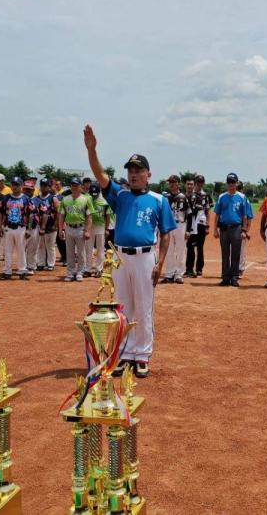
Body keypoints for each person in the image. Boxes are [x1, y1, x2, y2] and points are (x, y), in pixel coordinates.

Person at [85, 125, 176, 378]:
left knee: (144, 307)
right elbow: (100, 174)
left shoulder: (159, 200)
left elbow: (166, 234)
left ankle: (142, 355)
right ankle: (124, 354)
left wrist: (161, 263)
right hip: (121, 258)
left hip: (146, 257)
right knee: (122, 307)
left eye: (138, 170)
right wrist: (92, 150)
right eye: (130, 170)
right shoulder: (120, 195)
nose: (133, 174)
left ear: (148, 174)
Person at [214, 173, 253, 287]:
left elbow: (245, 216)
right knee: (225, 253)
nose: (231, 184)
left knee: (236, 253)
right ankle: (225, 277)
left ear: (237, 183)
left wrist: (244, 230)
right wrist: (215, 229)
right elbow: (217, 214)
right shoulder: (222, 197)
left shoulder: (241, 197)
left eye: (233, 182)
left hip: (236, 228)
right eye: (229, 182)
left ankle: (234, 277)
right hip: (224, 228)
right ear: (227, 184)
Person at [59, 176, 93, 282]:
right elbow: (61, 215)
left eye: (76, 185)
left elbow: (89, 216)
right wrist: (60, 229)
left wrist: (87, 231)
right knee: (69, 252)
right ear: (70, 186)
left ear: (80, 186)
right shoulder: (65, 199)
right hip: (69, 227)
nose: (74, 187)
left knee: (81, 252)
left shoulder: (86, 199)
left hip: (80, 228)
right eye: (73, 185)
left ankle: (80, 272)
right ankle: (70, 272)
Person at [0, 177, 31, 280]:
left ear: (21, 186)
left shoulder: (26, 198)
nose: (14, 187)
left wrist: (28, 228)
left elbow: (30, 214)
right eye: (13, 184)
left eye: (17, 184)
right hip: (8, 227)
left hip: (21, 228)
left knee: (21, 250)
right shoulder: (5, 198)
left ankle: (22, 271)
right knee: (7, 250)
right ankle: (7, 271)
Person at [161, 175, 191, 284]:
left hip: (181, 225)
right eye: (170, 183)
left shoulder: (184, 197)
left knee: (181, 250)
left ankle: (179, 274)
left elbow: (189, 214)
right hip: (169, 226)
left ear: (178, 183)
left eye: (173, 182)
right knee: (168, 250)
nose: (171, 184)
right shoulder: (165, 198)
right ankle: (169, 274)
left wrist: (188, 230)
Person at [185, 174, 212, 278]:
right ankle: (189, 268)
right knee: (190, 247)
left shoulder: (206, 195)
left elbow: (208, 212)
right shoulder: (190, 195)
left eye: (202, 182)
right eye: (198, 182)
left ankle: (199, 269)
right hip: (191, 224)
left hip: (201, 224)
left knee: (200, 247)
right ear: (195, 183)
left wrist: (207, 226)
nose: (200, 184)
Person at [87, 183, 111, 276]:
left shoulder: (104, 202)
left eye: (96, 193)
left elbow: (108, 216)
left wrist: (107, 229)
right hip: (90, 227)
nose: (94, 195)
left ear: (99, 192)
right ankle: (88, 269)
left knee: (100, 249)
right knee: (88, 249)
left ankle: (99, 269)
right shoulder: (88, 200)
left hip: (101, 226)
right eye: (92, 193)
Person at [36, 178, 60, 271]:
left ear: (49, 187)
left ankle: (51, 264)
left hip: (51, 225)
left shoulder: (52, 198)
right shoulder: (37, 198)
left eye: (46, 186)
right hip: (39, 225)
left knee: (50, 246)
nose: (43, 187)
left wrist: (56, 224)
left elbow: (58, 212)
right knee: (40, 245)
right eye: (42, 185)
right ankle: (41, 263)